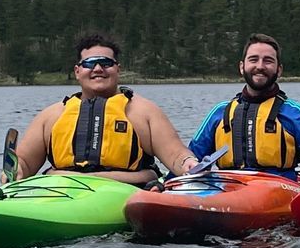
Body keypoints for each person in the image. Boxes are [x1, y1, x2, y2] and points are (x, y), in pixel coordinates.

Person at [11, 33, 197, 185]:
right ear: (77, 71)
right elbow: (25, 162)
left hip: (127, 189)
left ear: (118, 69)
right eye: (90, 63)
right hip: (64, 190)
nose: (98, 68)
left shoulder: (144, 112)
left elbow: (175, 154)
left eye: (106, 63)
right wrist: (16, 170)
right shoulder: (51, 116)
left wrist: (188, 163)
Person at [184, 33, 300, 180]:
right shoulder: (219, 113)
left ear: (279, 70)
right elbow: (190, 159)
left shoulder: (296, 113)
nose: (260, 66)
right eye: (253, 59)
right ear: (241, 67)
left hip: (279, 191)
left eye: (268, 61)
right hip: (227, 187)